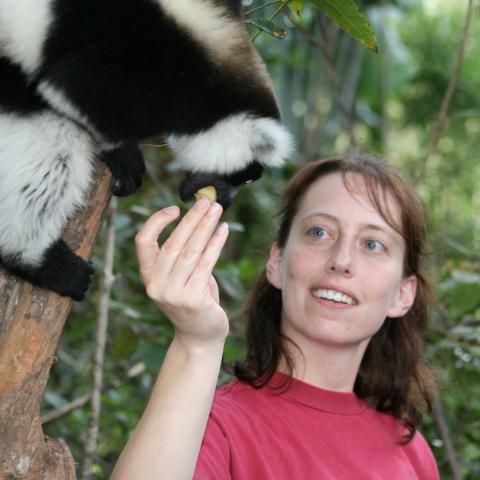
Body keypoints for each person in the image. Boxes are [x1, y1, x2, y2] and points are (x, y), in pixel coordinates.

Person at [111, 154, 440, 480]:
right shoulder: (208, 427)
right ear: (276, 261)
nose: (341, 261)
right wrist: (197, 343)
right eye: (319, 233)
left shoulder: (413, 455)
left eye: (372, 244)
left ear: (403, 294)